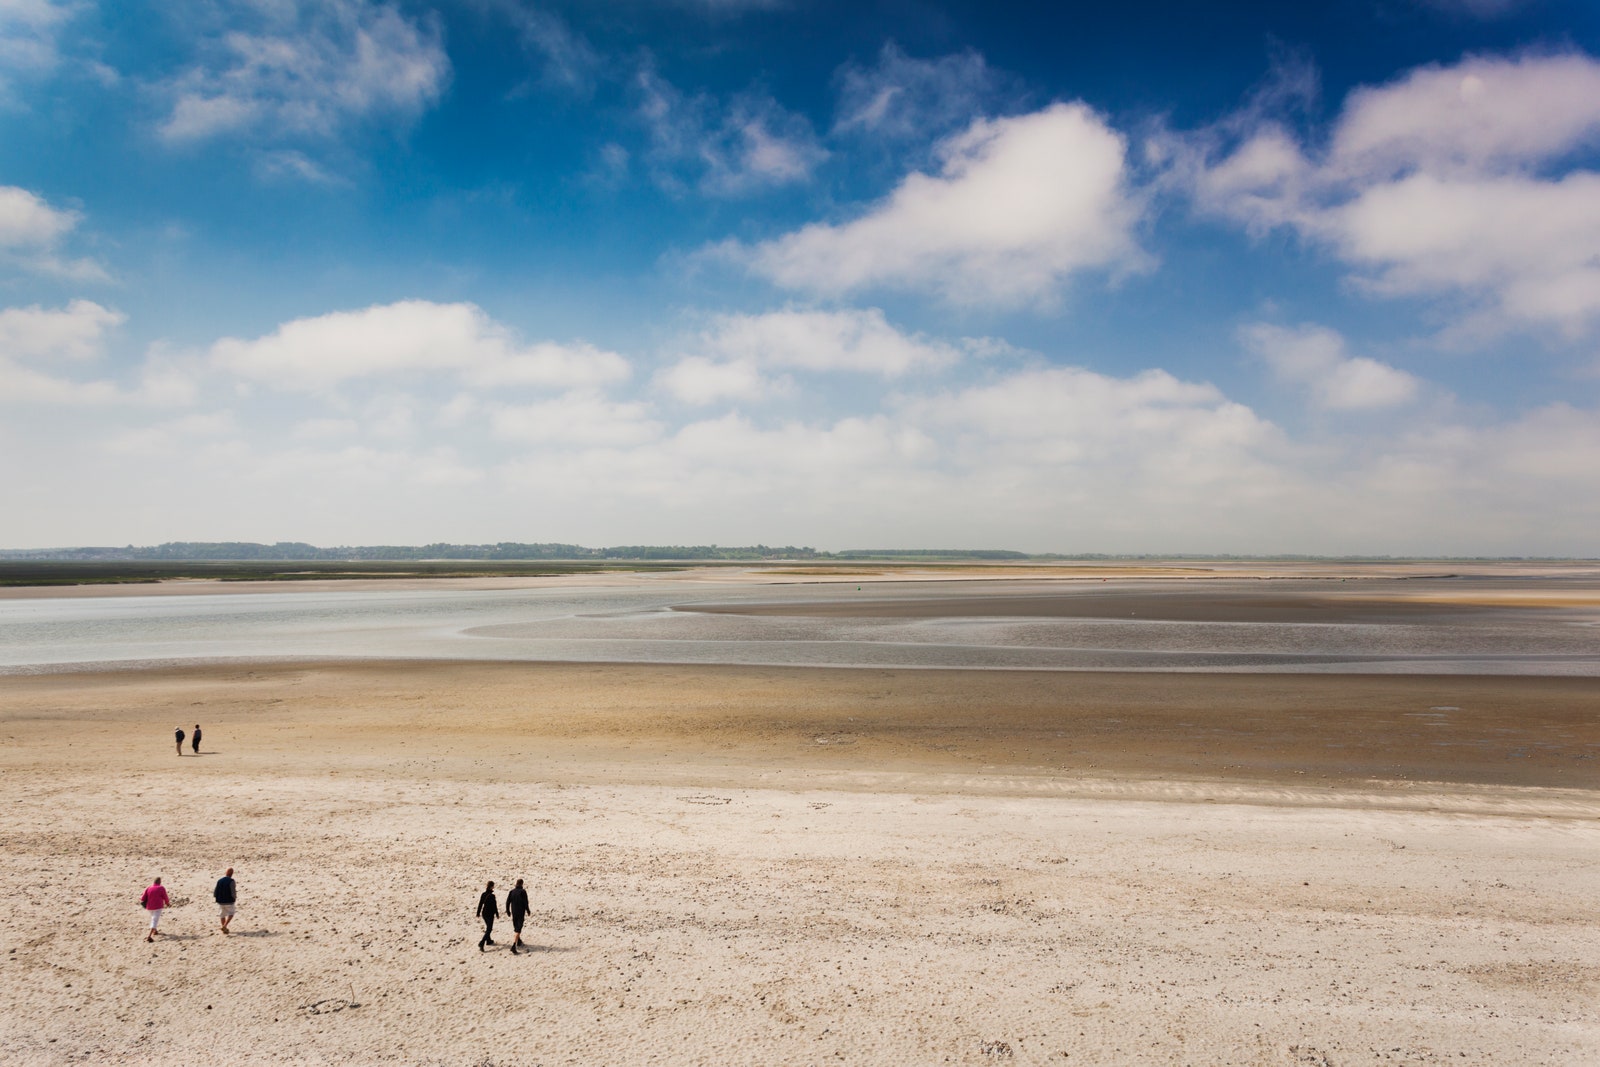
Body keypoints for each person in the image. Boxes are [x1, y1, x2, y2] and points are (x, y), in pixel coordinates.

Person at [506, 878, 530, 954]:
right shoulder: (523, 892)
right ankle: (513, 945)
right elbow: (525, 902)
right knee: (518, 929)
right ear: (522, 884)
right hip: (520, 912)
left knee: (516, 926)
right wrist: (528, 910)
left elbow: (508, 902)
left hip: (514, 912)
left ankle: (519, 941)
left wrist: (508, 911)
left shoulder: (512, 892)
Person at [141, 877, 169, 942]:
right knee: (154, 920)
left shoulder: (148, 888)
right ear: (160, 882)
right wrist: (167, 903)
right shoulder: (161, 888)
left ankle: (155, 931)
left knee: (153, 918)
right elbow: (165, 897)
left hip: (149, 907)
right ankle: (149, 936)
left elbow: (142, 898)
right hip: (158, 907)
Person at [475, 880, 499, 951]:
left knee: (488, 927)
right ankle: (482, 943)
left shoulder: (483, 894)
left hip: (484, 913)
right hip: (490, 914)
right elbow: (494, 906)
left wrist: (478, 913)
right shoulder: (492, 896)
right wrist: (497, 913)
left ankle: (488, 940)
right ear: (492, 887)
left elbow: (480, 904)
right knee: (489, 929)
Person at [214, 867, 237, 934]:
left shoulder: (219, 880)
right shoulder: (231, 881)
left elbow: (215, 891)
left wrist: (216, 898)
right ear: (232, 874)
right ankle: (225, 925)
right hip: (229, 901)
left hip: (220, 901)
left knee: (222, 915)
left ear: (226, 873)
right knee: (231, 913)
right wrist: (234, 898)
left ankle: (224, 929)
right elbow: (233, 891)